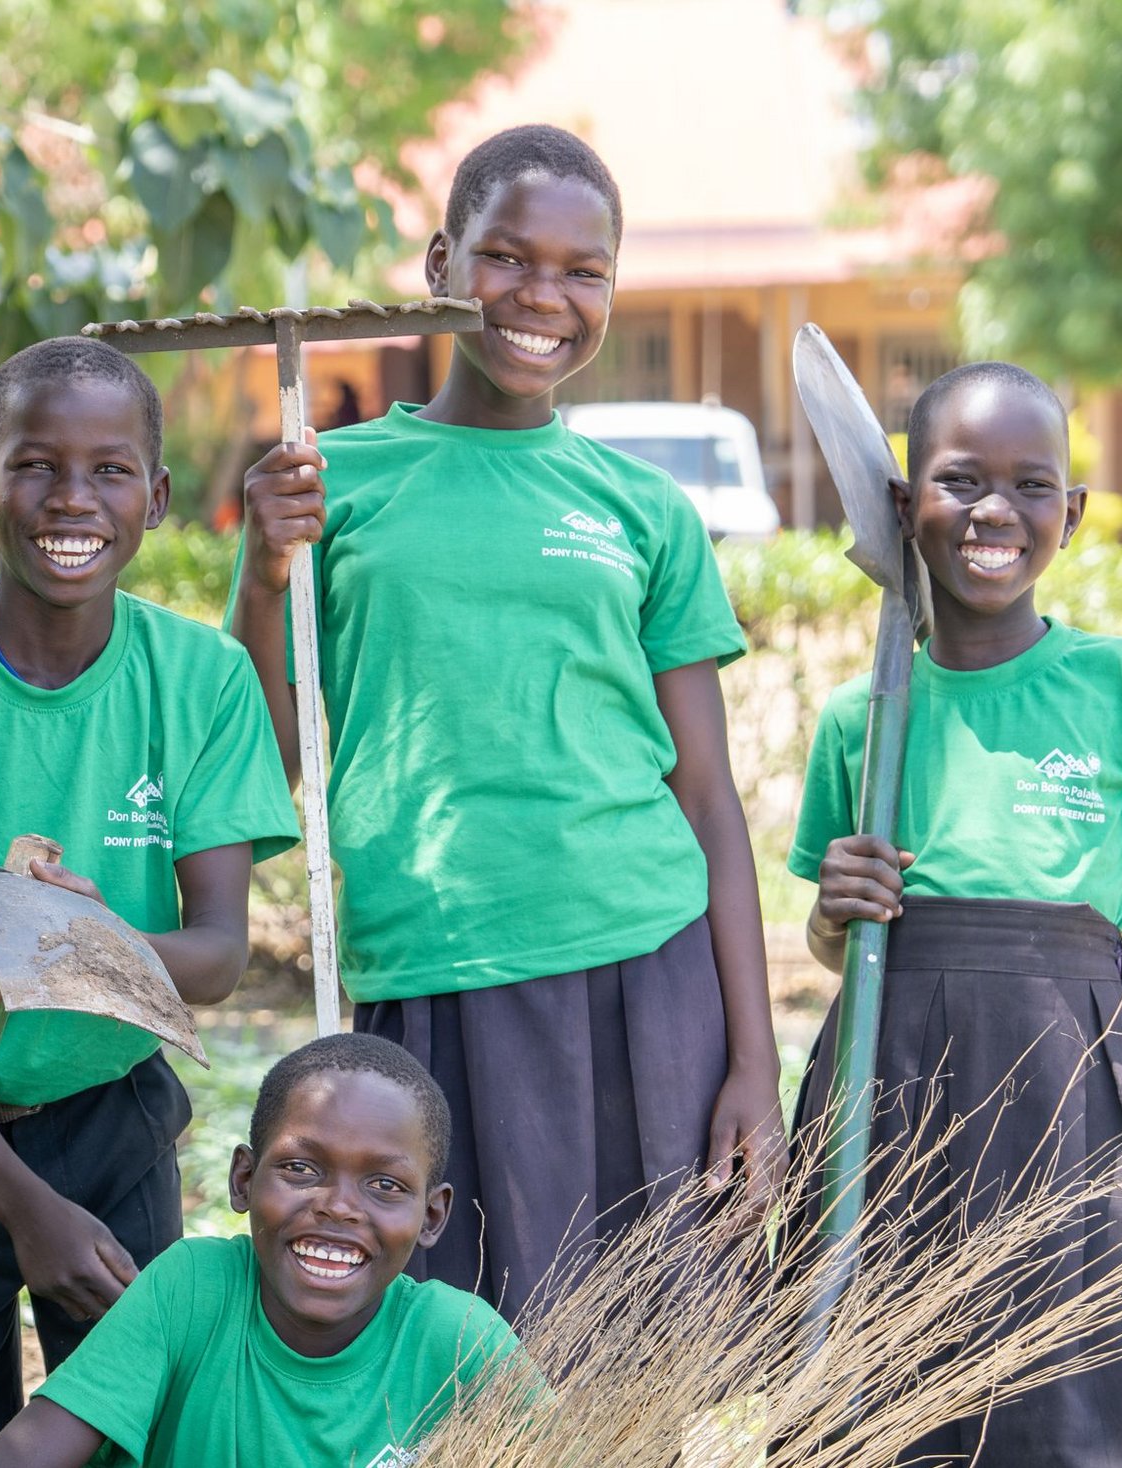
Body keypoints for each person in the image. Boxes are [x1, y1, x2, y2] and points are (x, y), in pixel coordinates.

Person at [229, 124, 786, 1323]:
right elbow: (266, 762)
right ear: (440, 262)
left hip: (642, 972)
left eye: (583, 271)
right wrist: (263, 578)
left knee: (638, 1351)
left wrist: (753, 1058)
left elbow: (705, 797)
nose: (543, 296)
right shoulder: (330, 484)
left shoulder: (642, 509)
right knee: (448, 1351)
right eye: (506, 257)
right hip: (428, 970)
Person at [0, 337, 301, 1466]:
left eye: (110, 470)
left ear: (155, 499)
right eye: (35, 465)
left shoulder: (202, 680)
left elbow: (218, 952)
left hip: (110, 1121)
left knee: (134, 1445)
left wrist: (85, 943)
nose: (73, 498)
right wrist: (19, 1202)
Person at [790, 361, 1122, 1466]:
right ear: (906, 507)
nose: (995, 510)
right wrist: (838, 910)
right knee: (888, 1397)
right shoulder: (862, 716)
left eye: (1030, 485)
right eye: (960, 480)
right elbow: (832, 945)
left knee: (1083, 1393)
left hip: (1074, 1085)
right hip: (894, 1088)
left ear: (1071, 514)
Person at [0, 1033, 522, 1468]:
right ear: (244, 1180)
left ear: (431, 1216)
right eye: (301, 1168)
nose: (339, 1207)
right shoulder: (191, 1291)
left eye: (385, 1184)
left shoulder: (460, 1344)